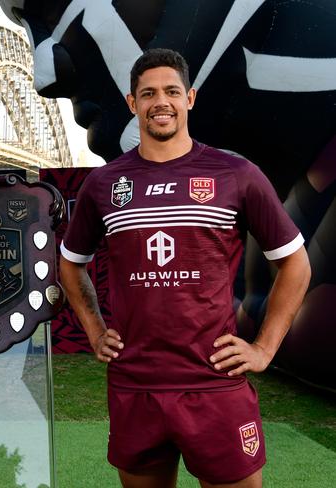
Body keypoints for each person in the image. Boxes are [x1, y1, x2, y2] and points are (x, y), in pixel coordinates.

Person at [59, 48, 311, 488]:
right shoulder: (105, 183)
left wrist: (265, 348)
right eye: (149, 93)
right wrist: (95, 330)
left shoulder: (236, 173)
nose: (162, 101)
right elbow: (70, 263)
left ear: (190, 98)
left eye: (172, 91)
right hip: (135, 384)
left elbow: (294, 262)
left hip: (214, 382)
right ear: (131, 103)